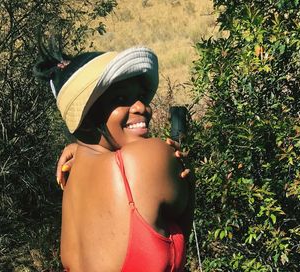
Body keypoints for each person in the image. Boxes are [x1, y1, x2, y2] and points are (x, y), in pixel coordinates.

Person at [34, 46, 194, 271]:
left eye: (138, 97)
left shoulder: (71, 180)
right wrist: (188, 177)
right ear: (88, 116)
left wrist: (79, 147)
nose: (142, 107)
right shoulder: (148, 158)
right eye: (120, 99)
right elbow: (179, 230)